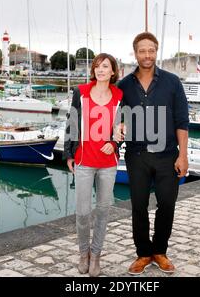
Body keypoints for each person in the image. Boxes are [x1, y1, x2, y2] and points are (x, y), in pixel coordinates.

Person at [116, 32, 189, 275]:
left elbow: (182, 121)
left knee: (167, 204)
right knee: (138, 206)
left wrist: (183, 155)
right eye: (142, 51)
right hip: (136, 155)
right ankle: (143, 253)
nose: (147, 55)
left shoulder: (172, 82)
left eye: (151, 50)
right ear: (135, 53)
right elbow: (115, 118)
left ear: (156, 52)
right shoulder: (124, 85)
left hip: (167, 154)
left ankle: (160, 251)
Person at [64, 53, 123, 277]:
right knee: (82, 213)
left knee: (103, 210)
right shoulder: (81, 92)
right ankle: (83, 253)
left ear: (112, 71)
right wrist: (69, 154)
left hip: (108, 163)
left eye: (105, 66)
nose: (100, 69)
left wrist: (114, 143)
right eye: (97, 66)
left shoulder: (119, 96)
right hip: (84, 161)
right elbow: (71, 122)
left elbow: (122, 126)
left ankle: (96, 254)